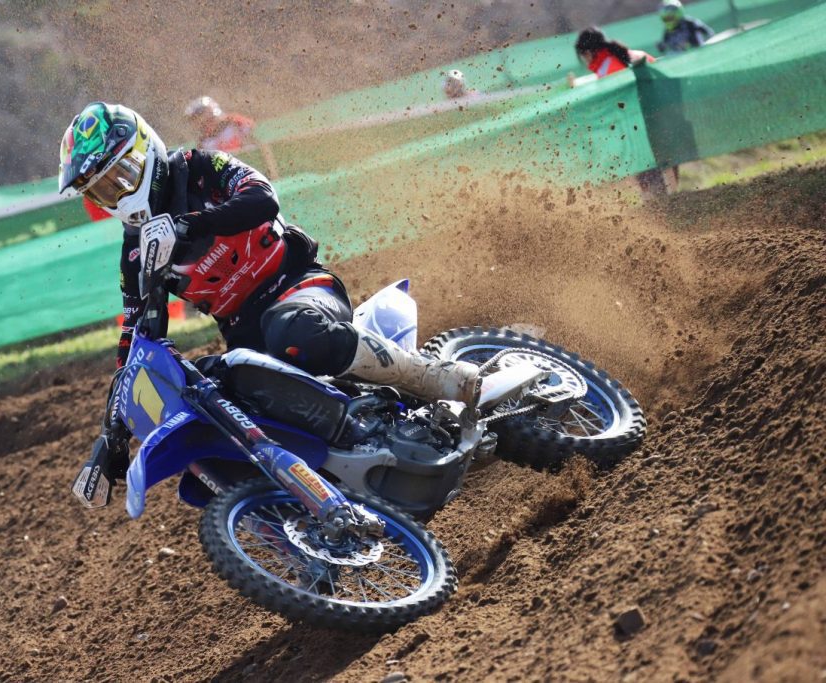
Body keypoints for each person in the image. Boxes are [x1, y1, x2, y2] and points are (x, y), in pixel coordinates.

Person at [59, 102, 492, 481]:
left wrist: (190, 225)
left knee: (290, 328)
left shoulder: (198, 167)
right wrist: (112, 433)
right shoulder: (135, 251)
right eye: (104, 189)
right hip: (247, 339)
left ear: (145, 149)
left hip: (298, 286)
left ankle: (430, 376)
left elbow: (262, 198)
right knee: (202, 395)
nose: (117, 193)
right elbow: (134, 339)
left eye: (121, 175)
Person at [574, 28, 668, 197]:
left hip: (639, 124)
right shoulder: (629, 54)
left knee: (648, 170)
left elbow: (616, 103)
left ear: (588, 52)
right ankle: (667, 197)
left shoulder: (607, 68)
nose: (585, 60)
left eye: (583, 55)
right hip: (662, 113)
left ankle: (659, 201)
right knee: (663, 167)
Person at [185, 96, 255, 153]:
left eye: (210, 119)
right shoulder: (204, 143)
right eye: (203, 124)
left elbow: (255, 143)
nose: (208, 125)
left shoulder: (237, 123)